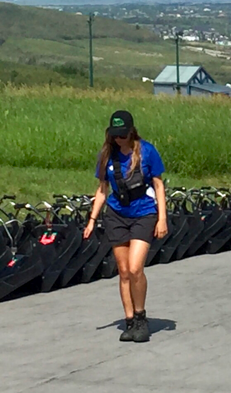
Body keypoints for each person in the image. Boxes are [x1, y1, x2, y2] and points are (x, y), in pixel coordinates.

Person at [83, 110, 168, 343]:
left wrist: (162, 219)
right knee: (122, 271)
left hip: (144, 214)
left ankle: (141, 318)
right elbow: (102, 190)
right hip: (116, 215)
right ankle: (129, 321)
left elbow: (159, 187)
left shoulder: (147, 152)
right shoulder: (107, 155)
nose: (119, 139)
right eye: (115, 135)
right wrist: (92, 220)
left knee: (135, 268)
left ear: (131, 131)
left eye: (122, 135)